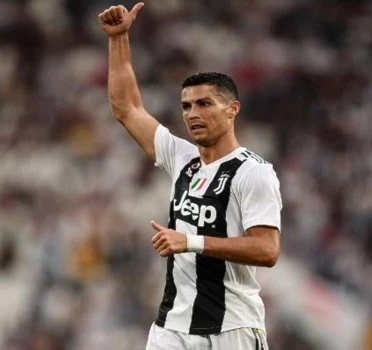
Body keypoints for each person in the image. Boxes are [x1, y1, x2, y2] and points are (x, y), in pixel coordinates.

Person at [98, 3, 282, 349]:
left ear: (232, 110)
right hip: (172, 327)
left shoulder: (254, 173)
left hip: (232, 329)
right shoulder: (182, 159)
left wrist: (191, 241)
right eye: (186, 106)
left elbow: (267, 250)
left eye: (204, 104)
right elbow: (127, 109)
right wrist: (119, 38)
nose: (192, 114)